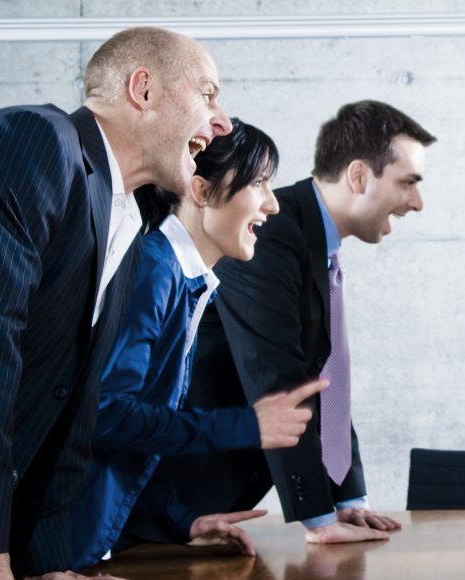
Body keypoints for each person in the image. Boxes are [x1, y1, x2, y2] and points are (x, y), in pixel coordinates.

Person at [0, 26, 231, 578]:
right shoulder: (34, 140)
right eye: (208, 93)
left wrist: (52, 565)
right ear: (142, 90)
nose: (221, 122)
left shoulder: (125, 221)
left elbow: (68, 419)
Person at [119, 100, 437, 546]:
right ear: (360, 176)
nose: (417, 203)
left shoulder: (311, 242)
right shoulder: (268, 234)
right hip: (164, 498)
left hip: (189, 511)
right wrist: (318, 517)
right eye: (408, 183)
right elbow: (277, 376)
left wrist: (349, 498)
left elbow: (325, 378)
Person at [66, 119, 328, 570]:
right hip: (60, 545)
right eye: (260, 183)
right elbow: (105, 416)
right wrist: (245, 426)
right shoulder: (154, 271)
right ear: (202, 191)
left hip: (88, 544)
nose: (271, 204)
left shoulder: (181, 278)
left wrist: (183, 521)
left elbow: (131, 439)